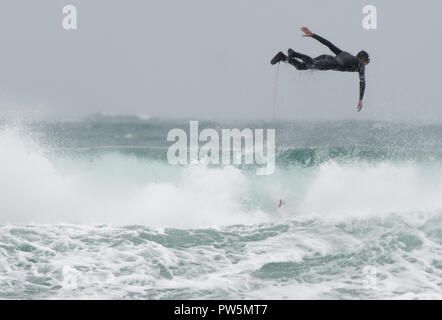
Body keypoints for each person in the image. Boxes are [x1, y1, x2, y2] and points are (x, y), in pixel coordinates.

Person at [271, 27, 370, 112]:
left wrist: (313, 35)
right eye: (366, 62)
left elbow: (329, 45)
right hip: (329, 63)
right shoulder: (360, 64)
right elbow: (362, 82)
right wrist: (361, 99)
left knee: (301, 67)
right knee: (312, 64)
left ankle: (283, 57)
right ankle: (295, 54)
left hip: (326, 58)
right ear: (363, 59)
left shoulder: (346, 54)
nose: (366, 65)